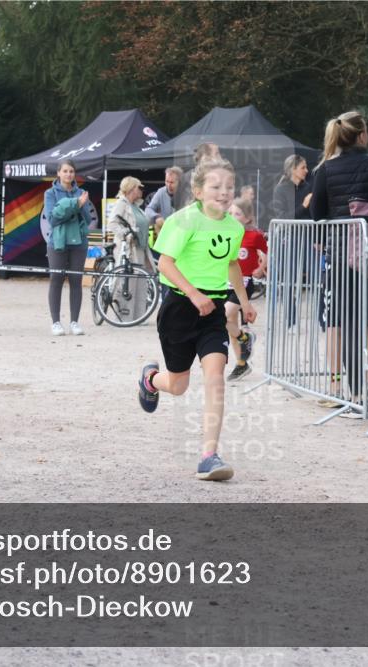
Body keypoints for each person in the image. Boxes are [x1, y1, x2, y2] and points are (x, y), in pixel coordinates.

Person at [137, 158, 256, 481]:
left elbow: (232, 264)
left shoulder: (234, 226)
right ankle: (150, 380)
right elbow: (165, 264)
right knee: (178, 385)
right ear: (199, 191)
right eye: (216, 187)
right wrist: (192, 294)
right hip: (180, 307)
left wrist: (243, 302)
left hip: (214, 309)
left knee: (215, 377)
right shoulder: (183, 221)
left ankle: (209, 456)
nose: (224, 193)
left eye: (229, 187)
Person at [310, 110, 368, 411]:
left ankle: (355, 396)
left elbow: (317, 215)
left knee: (350, 323)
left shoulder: (325, 170)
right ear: (362, 135)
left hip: (342, 255)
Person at [42, 158, 95, 336]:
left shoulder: (81, 192)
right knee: (56, 280)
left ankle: (74, 322)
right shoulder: (50, 193)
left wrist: (81, 205)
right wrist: (75, 205)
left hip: (79, 242)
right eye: (65, 171)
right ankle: (56, 322)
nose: (68, 174)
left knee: (76, 282)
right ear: (58, 173)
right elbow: (53, 219)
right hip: (57, 243)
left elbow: (87, 219)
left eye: (71, 171)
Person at [225, 197, 267, 381]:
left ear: (247, 218)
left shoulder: (254, 236)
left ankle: (244, 339)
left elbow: (266, 253)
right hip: (225, 282)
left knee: (225, 314)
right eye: (231, 213)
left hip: (245, 281)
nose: (233, 217)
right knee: (229, 322)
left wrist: (261, 268)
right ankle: (242, 363)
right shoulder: (226, 234)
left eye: (238, 214)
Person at [270, 155, 313, 327]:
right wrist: (303, 206)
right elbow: (283, 217)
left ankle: (322, 320)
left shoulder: (308, 187)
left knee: (317, 278)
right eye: (303, 167)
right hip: (288, 241)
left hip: (308, 239)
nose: (306, 170)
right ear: (293, 169)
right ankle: (291, 320)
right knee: (289, 280)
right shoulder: (281, 189)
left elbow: (312, 215)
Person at [175, 142, 221, 210]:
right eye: (217, 153)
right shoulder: (189, 178)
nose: (220, 157)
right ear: (206, 157)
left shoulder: (218, 176)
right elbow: (184, 205)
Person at [145, 166, 183, 240]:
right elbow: (148, 209)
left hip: (182, 236)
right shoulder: (161, 192)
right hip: (166, 237)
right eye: (167, 181)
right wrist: (156, 217)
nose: (168, 185)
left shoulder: (187, 193)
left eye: (172, 182)